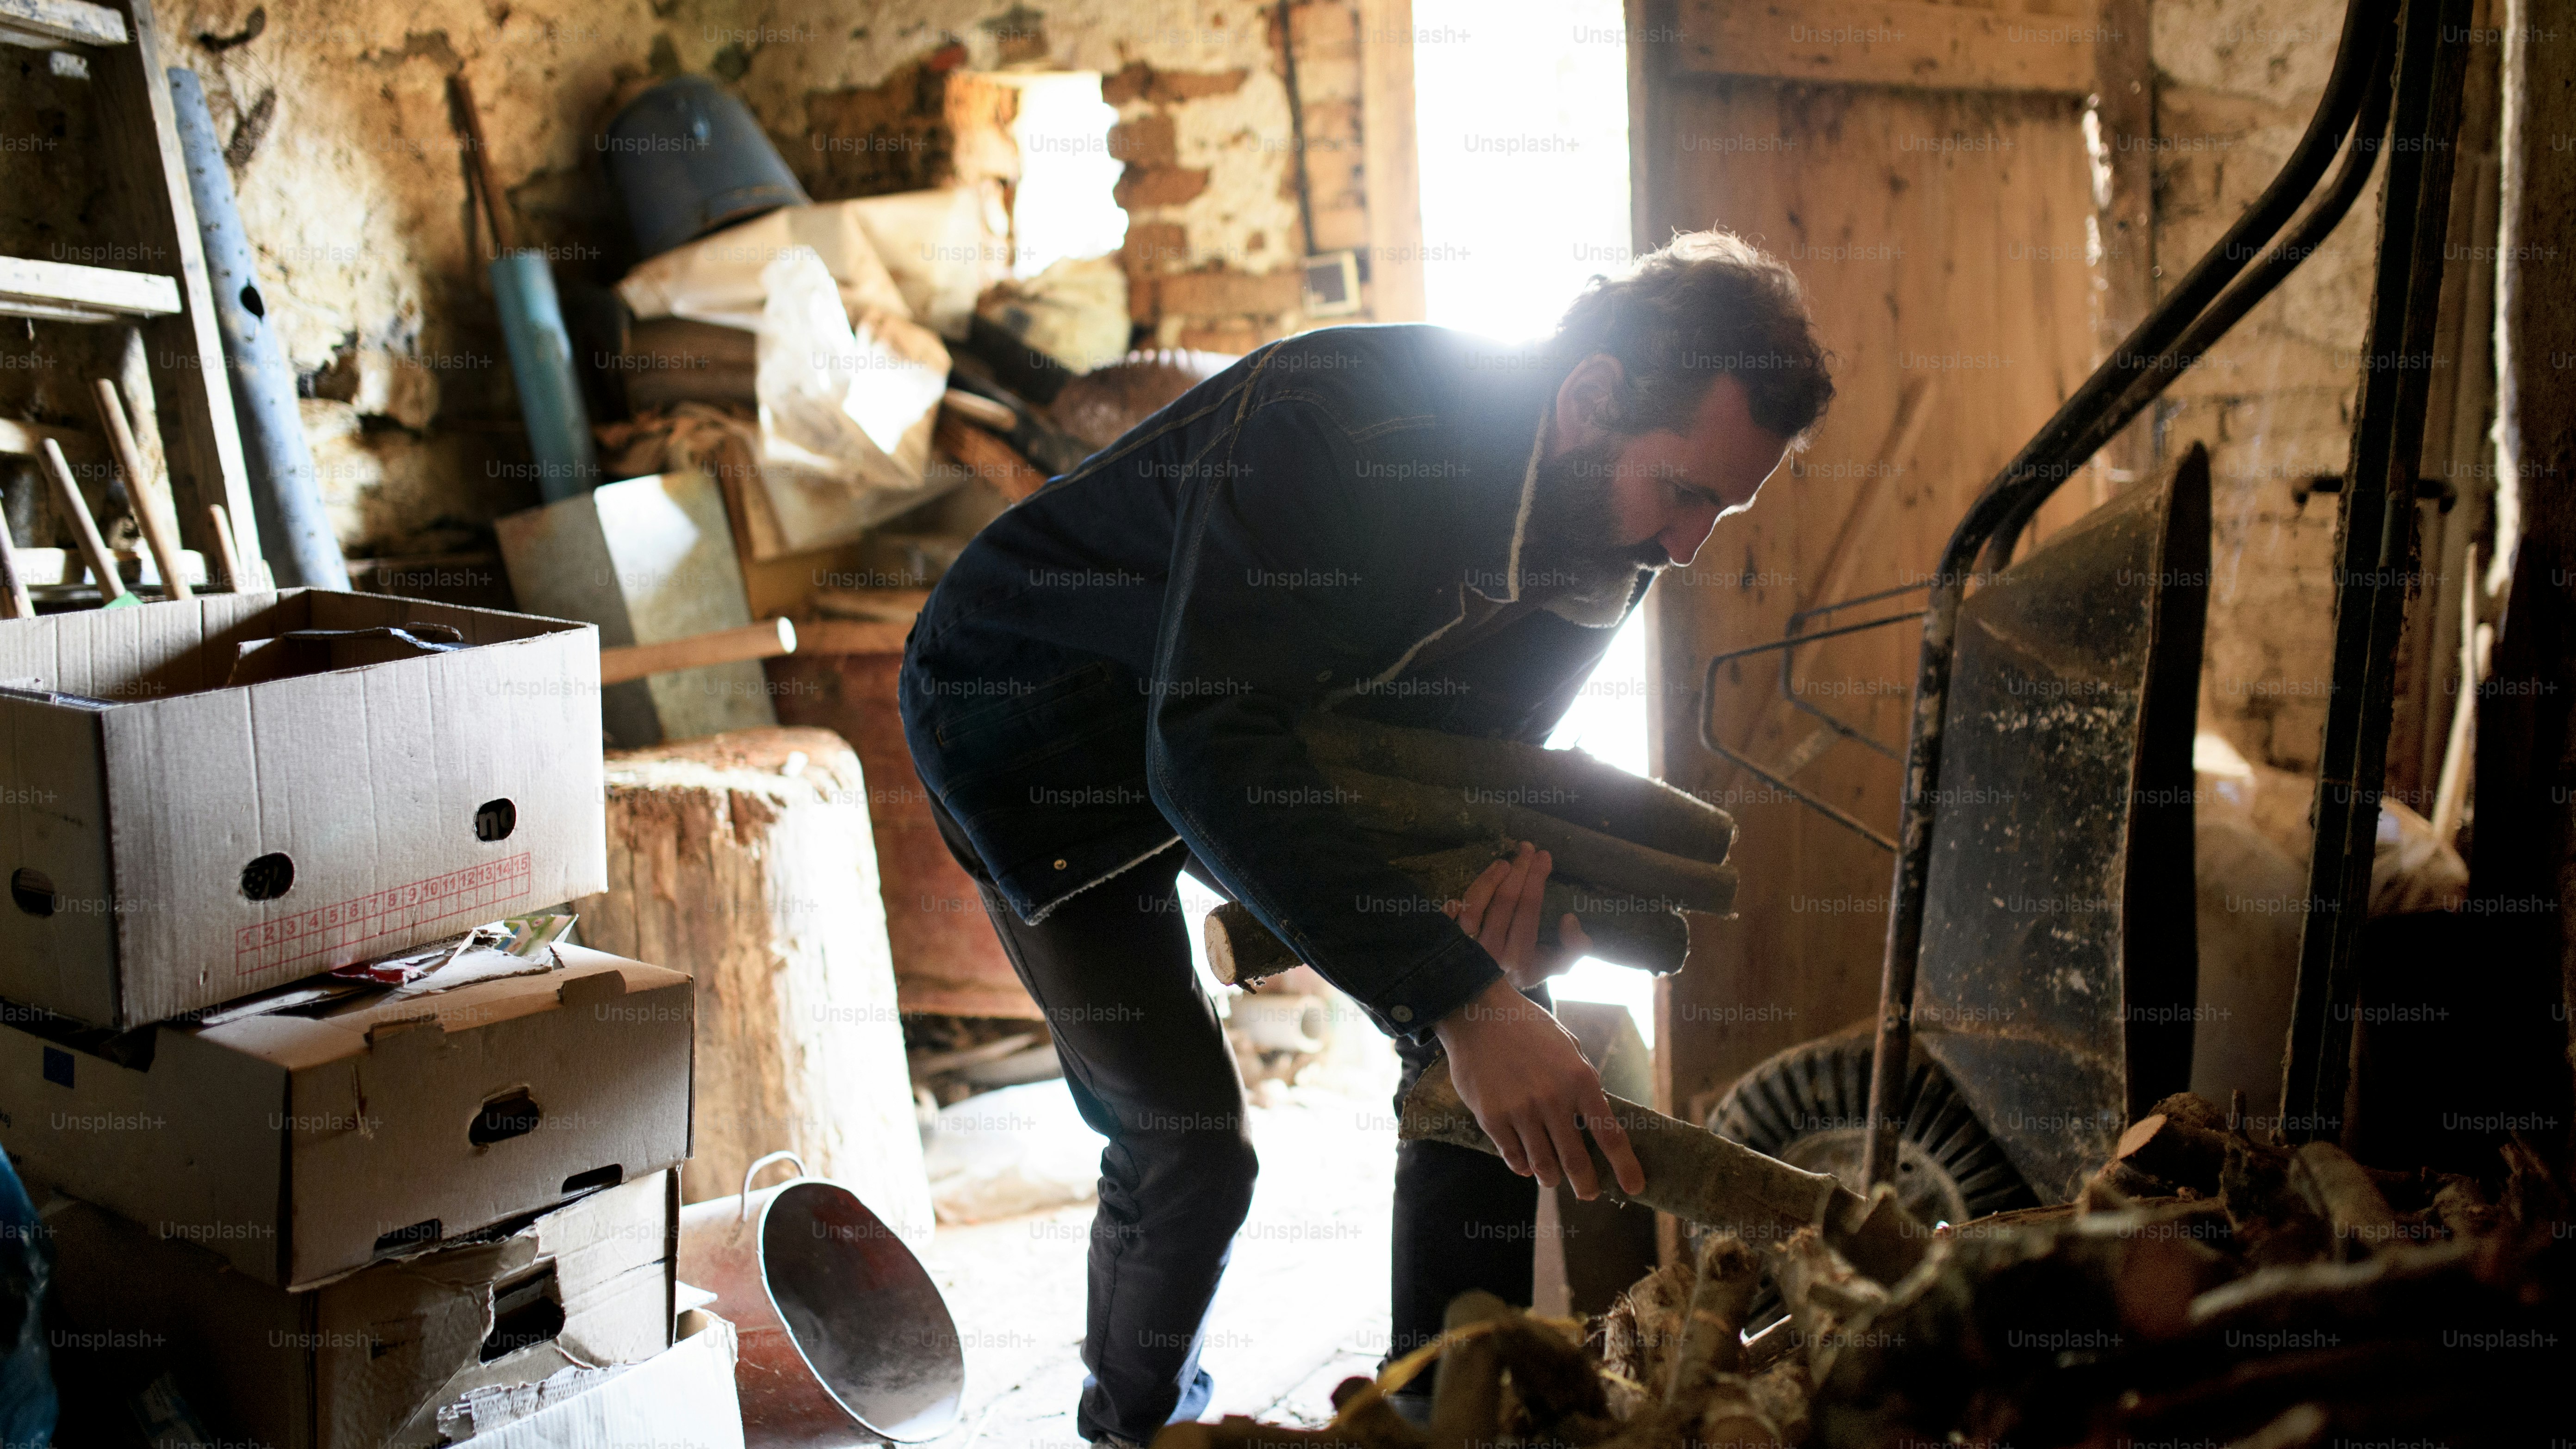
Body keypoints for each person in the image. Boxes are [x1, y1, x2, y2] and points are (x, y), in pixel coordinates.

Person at [899, 229, 1834, 1446]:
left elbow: (1468, 764)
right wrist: (1456, 989)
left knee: (1491, 1046)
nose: (1690, 543)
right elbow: (1209, 746)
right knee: (1187, 1146)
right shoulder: (1335, 427)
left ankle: (1439, 1408)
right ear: (1592, 398)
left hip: (1283, 724)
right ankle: (1130, 1426)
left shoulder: (1618, 539)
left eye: (1724, 507)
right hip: (1038, 729)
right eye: (1687, 490)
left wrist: (1494, 951)